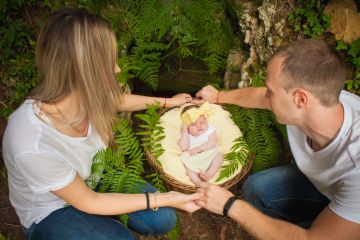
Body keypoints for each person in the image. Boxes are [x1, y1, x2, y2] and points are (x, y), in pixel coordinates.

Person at [2, 8, 202, 240]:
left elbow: (119, 101)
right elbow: (89, 200)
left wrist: (169, 102)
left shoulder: (80, 94)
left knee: (163, 217)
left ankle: (101, 223)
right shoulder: (29, 140)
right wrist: (168, 197)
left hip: (92, 180)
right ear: (83, 70)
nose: (117, 69)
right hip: (52, 210)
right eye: (109, 62)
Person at [193, 39, 360, 239]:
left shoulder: (356, 168)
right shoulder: (321, 101)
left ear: (300, 99)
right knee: (257, 188)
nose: (267, 97)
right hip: (328, 190)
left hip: (350, 211)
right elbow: (259, 97)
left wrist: (230, 206)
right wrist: (218, 96)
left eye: (271, 91)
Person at [178, 103, 223, 186]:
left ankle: (208, 174)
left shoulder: (209, 130)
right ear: (187, 127)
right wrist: (185, 132)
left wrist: (200, 148)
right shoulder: (187, 135)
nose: (199, 126)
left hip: (210, 153)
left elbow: (213, 142)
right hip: (195, 157)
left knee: (219, 156)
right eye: (193, 124)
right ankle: (197, 181)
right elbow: (184, 148)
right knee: (185, 159)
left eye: (202, 122)